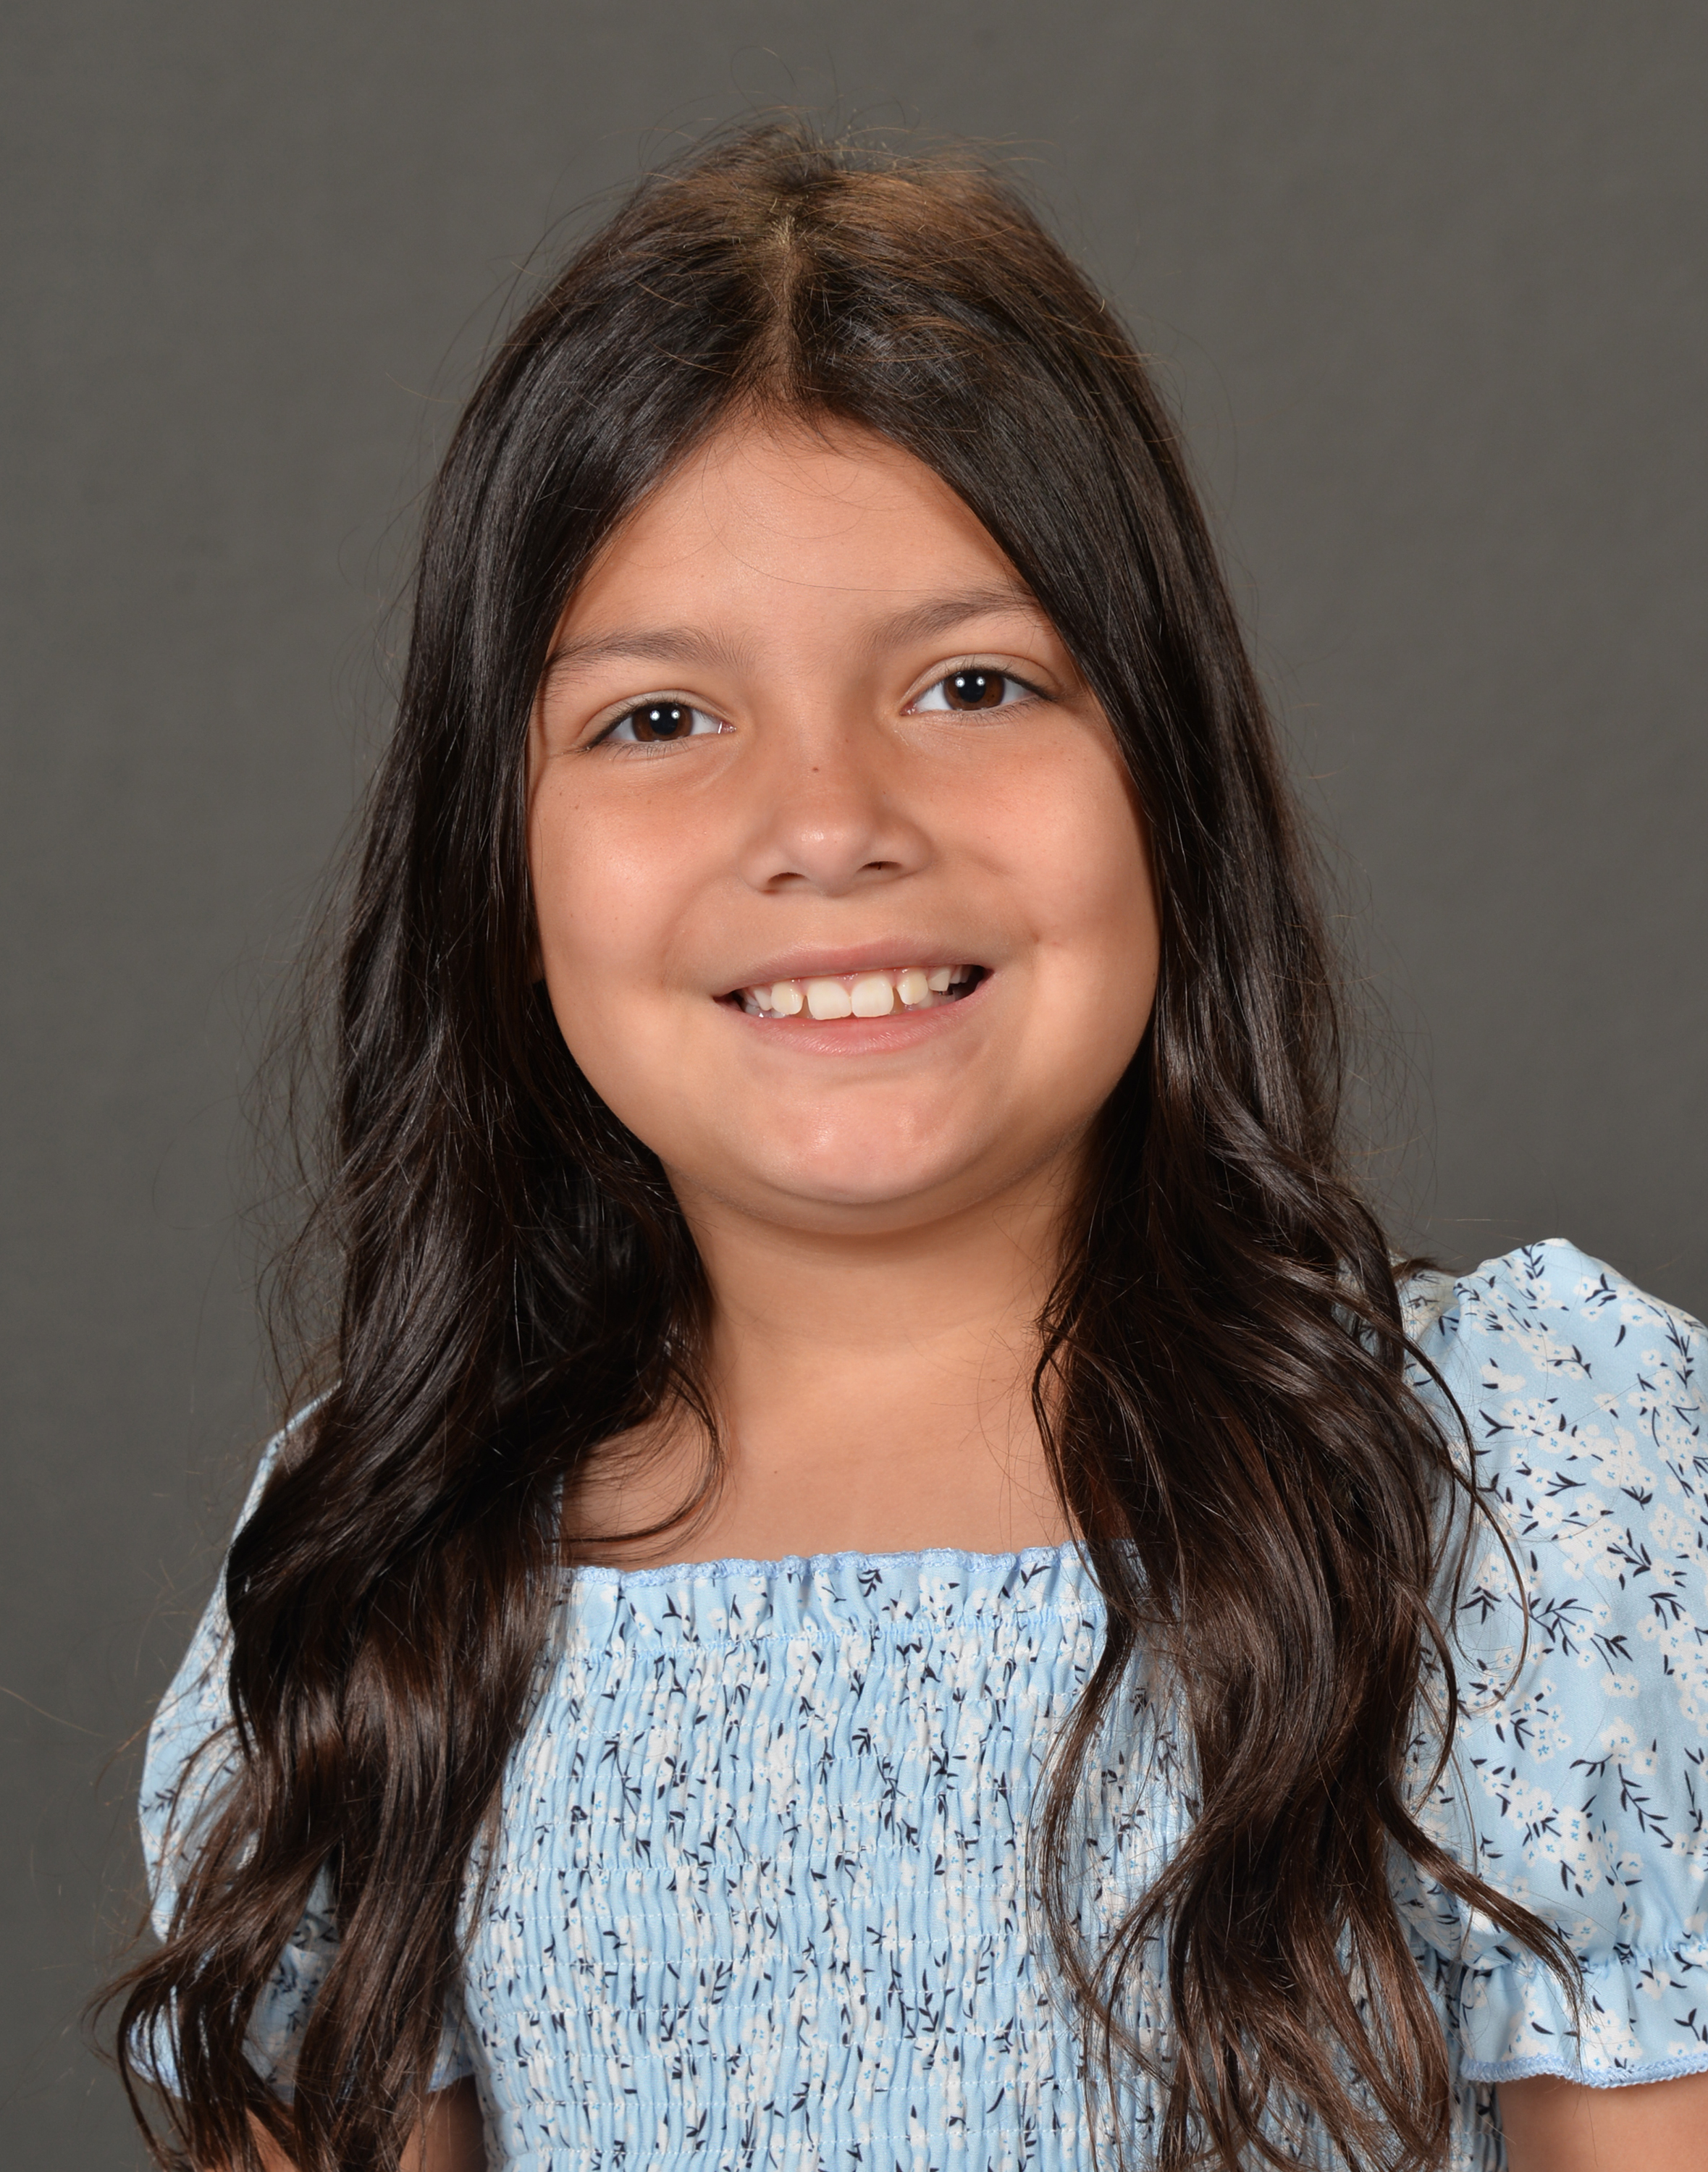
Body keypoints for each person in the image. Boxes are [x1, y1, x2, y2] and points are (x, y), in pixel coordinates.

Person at [107, 125, 1708, 2171]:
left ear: (1172, 779)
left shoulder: (1514, 1493)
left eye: (972, 683)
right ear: (495, 867)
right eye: (659, 720)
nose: (830, 821)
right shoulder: (386, 1580)